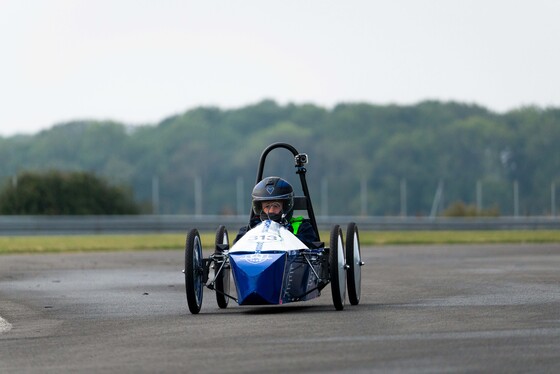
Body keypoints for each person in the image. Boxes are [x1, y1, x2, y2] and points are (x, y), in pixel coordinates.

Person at [234, 176, 319, 244]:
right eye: (267, 206)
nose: (271, 210)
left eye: (276, 205)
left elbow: (310, 244)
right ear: (259, 207)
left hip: (291, 264)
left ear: (286, 206)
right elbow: (237, 247)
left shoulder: (302, 227)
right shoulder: (251, 228)